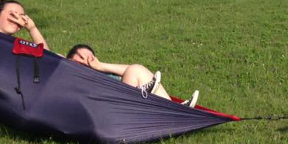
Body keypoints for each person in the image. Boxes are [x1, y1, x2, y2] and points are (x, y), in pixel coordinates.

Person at [66, 44, 200, 108]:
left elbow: (129, 69)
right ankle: (175, 108)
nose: (85, 61)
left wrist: (101, 66)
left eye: (90, 58)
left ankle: (175, 108)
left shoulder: (102, 71)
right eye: (81, 58)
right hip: (114, 106)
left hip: (124, 100)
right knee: (135, 70)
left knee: (136, 69)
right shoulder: (74, 78)